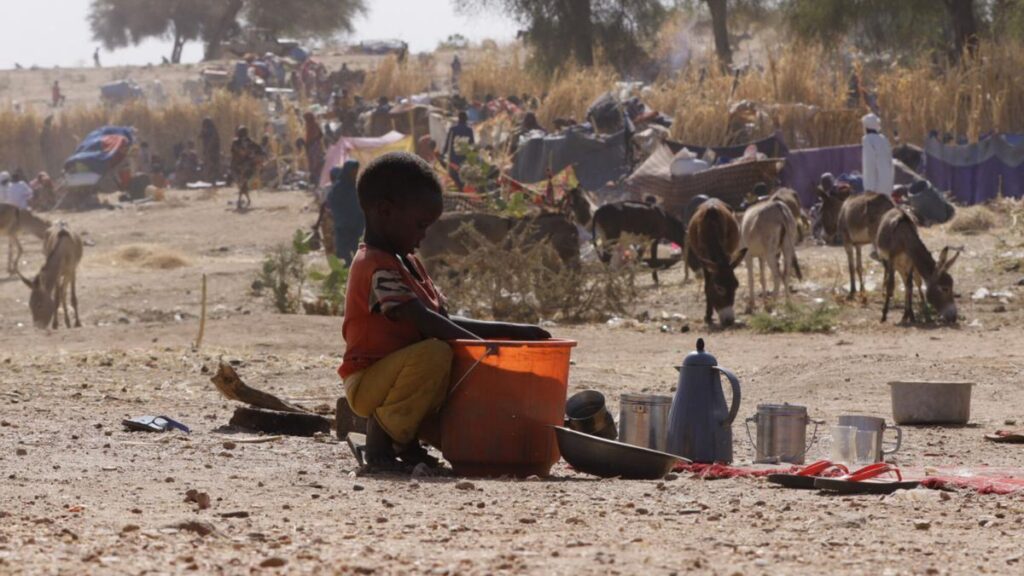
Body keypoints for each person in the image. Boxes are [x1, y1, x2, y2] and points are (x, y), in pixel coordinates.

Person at [339, 153, 551, 472]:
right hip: (370, 381)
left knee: (449, 360)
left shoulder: (408, 264)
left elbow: (443, 321)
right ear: (385, 212)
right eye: (420, 225)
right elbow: (421, 319)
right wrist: (480, 347)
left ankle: (406, 443)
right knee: (439, 352)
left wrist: (517, 331)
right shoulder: (375, 266)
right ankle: (380, 437)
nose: (424, 235)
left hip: (400, 378)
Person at [326, 160, 364, 264]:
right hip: (343, 226)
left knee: (358, 251)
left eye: (356, 172)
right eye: (353, 172)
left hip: (358, 225)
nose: (354, 175)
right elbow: (331, 204)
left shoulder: (356, 187)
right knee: (345, 253)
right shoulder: (337, 189)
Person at [230, 126, 265, 210]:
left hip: (244, 166)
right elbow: (238, 152)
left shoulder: (246, 142)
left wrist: (254, 156)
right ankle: (245, 199)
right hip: (239, 166)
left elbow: (259, 151)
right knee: (242, 183)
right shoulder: (238, 142)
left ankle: (241, 200)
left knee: (243, 182)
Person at [861, 113, 894, 197]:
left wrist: (869, 188)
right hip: (888, 186)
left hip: (875, 187)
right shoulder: (884, 139)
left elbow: (869, 164)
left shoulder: (867, 140)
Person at [442, 111, 474, 191]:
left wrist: (443, 153)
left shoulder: (452, 129)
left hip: (454, 158)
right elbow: (472, 145)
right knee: (463, 177)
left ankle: (458, 191)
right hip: (464, 158)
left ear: (458, 119)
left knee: (454, 177)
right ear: (466, 119)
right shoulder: (469, 130)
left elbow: (448, 143)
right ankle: (462, 191)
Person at [304, 112, 326, 190]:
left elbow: (309, 138)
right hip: (317, 146)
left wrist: (308, 145)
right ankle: (318, 181)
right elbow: (321, 134)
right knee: (317, 163)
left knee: (314, 164)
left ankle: (317, 181)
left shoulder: (310, 125)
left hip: (313, 147)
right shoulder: (315, 124)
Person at [199, 118, 221, 184]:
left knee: (212, 165)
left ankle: (213, 179)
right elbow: (200, 136)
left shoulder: (213, 131)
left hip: (212, 152)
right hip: (209, 152)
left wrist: (208, 149)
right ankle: (210, 179)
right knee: (209, 165)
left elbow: (213, 141)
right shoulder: (207, 131)